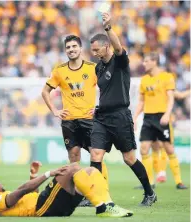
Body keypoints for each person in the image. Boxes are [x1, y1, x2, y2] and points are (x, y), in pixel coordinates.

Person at [89, 12, 156, 206]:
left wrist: (108, 28)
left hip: (120, 116)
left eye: (96, 50)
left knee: (129, 158)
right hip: (101, 117)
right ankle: (97, 196)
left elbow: (119, 48)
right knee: (96, 155)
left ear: (106, 46)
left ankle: (149, 192)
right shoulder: (98, 67)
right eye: (92, 51)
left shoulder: (119, 62)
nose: (94, 54)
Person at [42, 34, 109, 207]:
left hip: (89, 119)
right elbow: (45, 92)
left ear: (80, 48)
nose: (71, 50)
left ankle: (100, 190)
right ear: (65, 50)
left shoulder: (92, 68)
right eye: (68, 47)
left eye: (74, 47)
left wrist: (98, 108)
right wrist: (55, 111)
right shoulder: (59, 70)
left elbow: (107, 88)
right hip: (69, 121)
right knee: (74, 157)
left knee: (96, 155)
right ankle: (78, 194)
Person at [0, 161, 133, 218]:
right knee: (71, 169)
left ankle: (107, 205)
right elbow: (21, 191)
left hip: (46, 204)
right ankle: (102, 207)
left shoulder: (2, 199)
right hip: (43, 208)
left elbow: (28, 195)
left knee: (90, 171)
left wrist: (32, 175)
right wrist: (48, 174)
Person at [133, 52, 188, 190]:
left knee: (168, 149)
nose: (143, 64)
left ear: (154, 61)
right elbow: (141, 101)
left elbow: (171, 98)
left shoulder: (167, 77)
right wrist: (134, 117)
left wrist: (167, 114)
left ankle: (179, 181)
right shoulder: (144, 80)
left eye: (146, 61)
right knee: (144, 149)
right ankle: (150, 183)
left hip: (162, 116)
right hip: (148, 118)